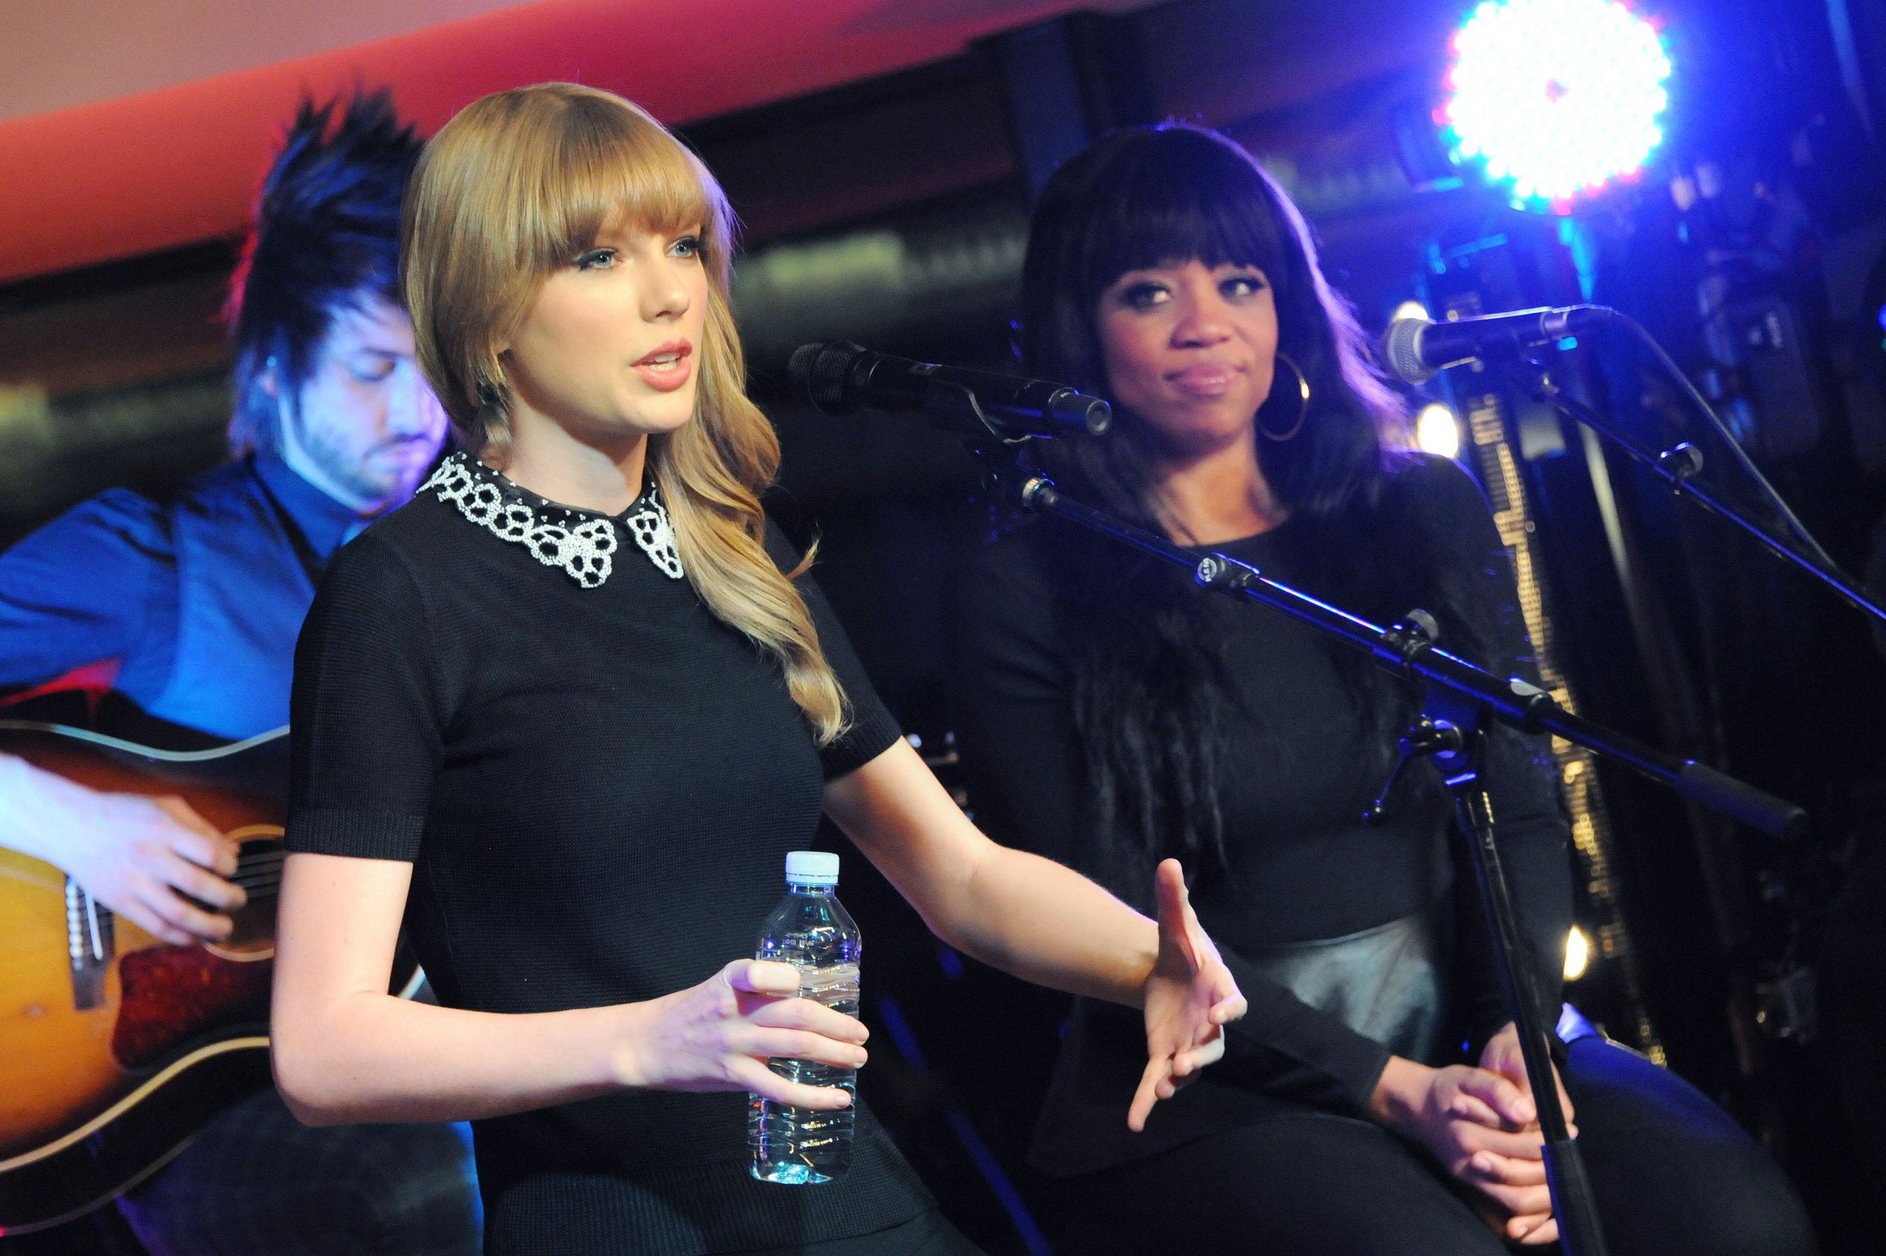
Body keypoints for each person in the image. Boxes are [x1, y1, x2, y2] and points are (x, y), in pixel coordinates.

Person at [268, 82, 1244, 1256]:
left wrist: (1149, 957)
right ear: (487, 314)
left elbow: (964, 877)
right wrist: (653, 1039)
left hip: (842, 1203)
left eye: (680, 243)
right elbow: (323, 1048)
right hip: (615, 1223)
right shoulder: (401, 591)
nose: (668, 288)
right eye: (595, 256)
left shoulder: (735, 553)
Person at [945, 122, 1821, 1255]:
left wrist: (1515, 1028)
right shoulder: (1022, 587)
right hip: (1214, 1070)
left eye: (1240, 280)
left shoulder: (1420, 511)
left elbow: (1521, 781)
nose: (1204, 321)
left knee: (1736, 1224)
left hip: (1469, 1018)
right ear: (1081, 328)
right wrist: (1389, 1084)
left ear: (1287, 311)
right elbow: (1104, 914)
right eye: (1148, 290)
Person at [0, 92, 478, 1254]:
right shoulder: (162, 557)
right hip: (204, 1106)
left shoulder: (472, 573)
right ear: (270, 369)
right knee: (423, 1185)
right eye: (374, 366)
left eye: (439, 370)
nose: (419, 413)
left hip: (416, 1072)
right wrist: (66, 821)